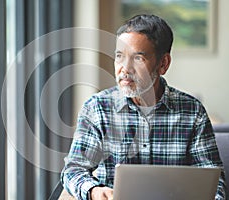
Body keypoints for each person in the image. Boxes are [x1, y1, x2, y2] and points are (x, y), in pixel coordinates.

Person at [61, 14, 226, 200]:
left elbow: (214, 180)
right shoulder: (97, 108)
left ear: (163, 64)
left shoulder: (193, 112)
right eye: (119, 56)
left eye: (138, 58)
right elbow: (74, 170)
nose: (124, 68)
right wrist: (94, 191)